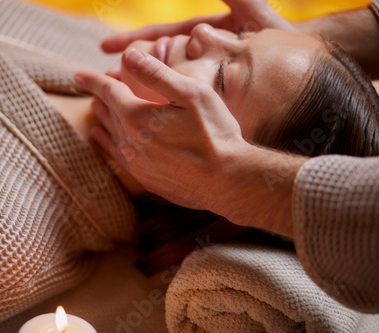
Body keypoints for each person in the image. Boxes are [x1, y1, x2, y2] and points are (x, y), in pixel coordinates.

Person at [74, 0, 379, 313]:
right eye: (239, 34)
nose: (203, 31)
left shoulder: (27, 228)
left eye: (222, 76)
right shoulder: (88, 36)